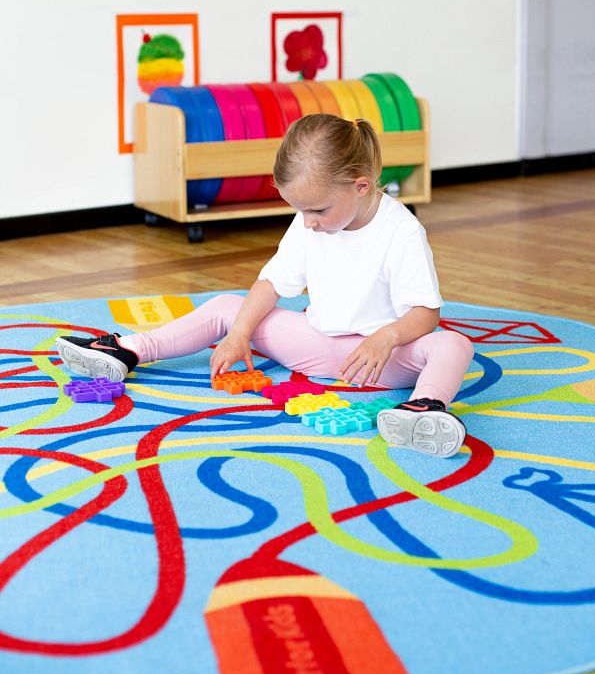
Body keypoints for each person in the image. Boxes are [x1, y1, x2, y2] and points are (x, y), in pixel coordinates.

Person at [56, 114, 474, 458]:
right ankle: (130, 350)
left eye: (317, 210)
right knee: (227, 306)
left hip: (381, 359)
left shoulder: (401, 230)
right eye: (300, 210)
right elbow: (270, 284)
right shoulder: (309, 222)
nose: (308, 222)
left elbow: (426, 313)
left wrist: (387, 338)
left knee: (453, 345)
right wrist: (239, 334)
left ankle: (424, 407)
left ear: (360, 186)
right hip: (314, 344)